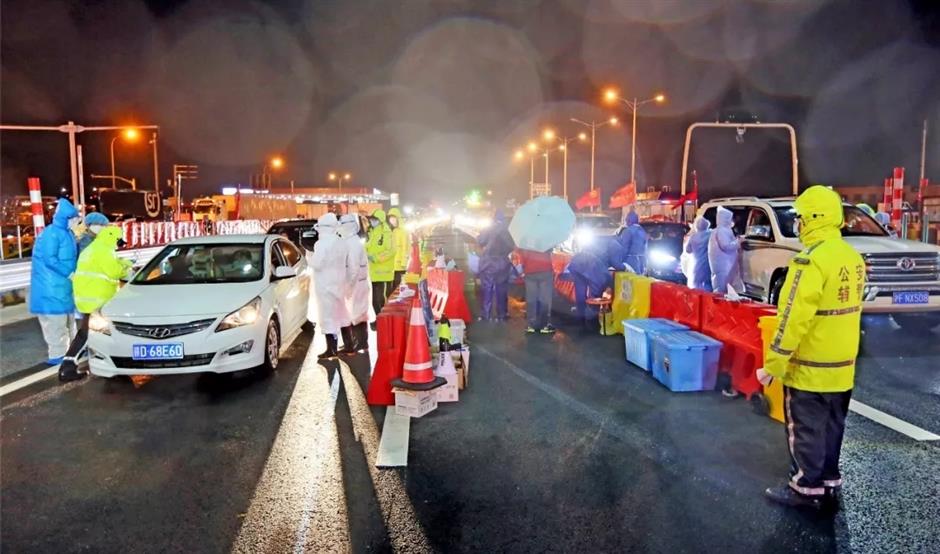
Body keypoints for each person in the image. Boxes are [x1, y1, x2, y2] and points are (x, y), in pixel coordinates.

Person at [757, 185, 864, 510]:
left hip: (810, 366)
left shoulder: (809, 262)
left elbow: (791, 319)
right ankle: (829, 480)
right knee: (834, 425)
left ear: (815, 219)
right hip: (843, 367)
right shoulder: (851, 257)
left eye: (802, 218)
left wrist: (773, 365)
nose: (799, 225)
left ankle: (805, 486)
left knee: (805, 428)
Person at [57, 226, 132, 381]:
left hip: (87, 297)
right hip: (97, 298)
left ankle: (69, 366)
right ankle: (67, 368)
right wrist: (127, 266)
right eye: (119, 242)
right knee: (89, 333)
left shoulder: (94, 248)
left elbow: (103, 267)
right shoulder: (104, 250)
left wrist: (120, 261)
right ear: (113, 238)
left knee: (88, 331)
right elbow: (114, 272)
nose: (118, 246)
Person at [29, 198, 80, 366]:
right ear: (66, 217)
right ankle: (58, 358)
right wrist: (70, 273)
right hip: (50, 289)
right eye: (74, 218)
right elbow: (50, 259)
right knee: (56, 325)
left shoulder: (68, 234)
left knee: (68, 323)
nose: (76, 221)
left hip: (62, 288)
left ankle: (71, 354)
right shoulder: (51, 233)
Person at [310, 213, 350, 359]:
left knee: (328, 317)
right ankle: (349, 343)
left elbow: (316, 264)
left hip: (325, 285)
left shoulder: (321, 244)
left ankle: (331, 349)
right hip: (339, 282)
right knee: (342, 314)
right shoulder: (341, 241)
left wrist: (309, 256)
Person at [338, 214, 371, 355]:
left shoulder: (350, 243)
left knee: (351, 315)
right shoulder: (354, 241)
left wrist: (348, 287)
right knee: (359, 314)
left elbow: (352, 268)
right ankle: (362, 342)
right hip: (359, 283)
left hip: (354, 283)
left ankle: (353, 344)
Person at [476, 210, 515, 321]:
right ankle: (501, 315)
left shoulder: (488, 228)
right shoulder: (507, 230)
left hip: (488, 262)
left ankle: (486, 314)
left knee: (487, 288)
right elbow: (512, 246)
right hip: (502, 263)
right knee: (501, 289)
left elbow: (480, 241)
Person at [567, 241, 613, 331]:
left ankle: (581, 319)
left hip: (577, 264)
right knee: (594, 298)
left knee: (580, 294)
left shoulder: (604, 275)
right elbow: (595, 298)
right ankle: (591, 321)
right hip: (584, 265)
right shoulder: (603, 278)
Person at [366, 209, 395, 320]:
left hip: (383, 274)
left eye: (375, 219)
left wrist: (376, 258)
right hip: (373, 273)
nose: (372, 221)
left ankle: (384, 321)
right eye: (372, 219)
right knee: (374, 301)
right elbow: (368, 246)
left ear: (380, 220)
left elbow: (391, 250)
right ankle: (379, 320)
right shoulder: (373, 233)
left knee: (381, 300)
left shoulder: (386, 233)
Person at [517, 248, 555, 334]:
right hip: (545, 269)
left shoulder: (526, 240)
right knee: (545, 298)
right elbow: (551, 250)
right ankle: (544, 325)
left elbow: (521, 254)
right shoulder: (545, 240)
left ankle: (531, 324)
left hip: (530, 270)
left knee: (531, 298)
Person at [708, 206, 743, 294]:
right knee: (722, 288)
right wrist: (738, 242)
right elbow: (726, 246)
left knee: (722, 287)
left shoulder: (720, 230)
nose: (732, 221)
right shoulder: (722, 231)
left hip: (723, 264)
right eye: (730, 218)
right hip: (723, 265)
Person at [684, 216, 713, 291]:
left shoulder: (693, 237)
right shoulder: (710, 234)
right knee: (708, 283)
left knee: (696, 283)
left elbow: (688, 250)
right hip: (708, 262)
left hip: (696, 262)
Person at [387, 207, 409, 292]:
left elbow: (406, 248)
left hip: (400, 266)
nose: (392, 220)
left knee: (398, 286)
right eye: (390, 218)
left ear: (398, 219)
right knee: (391, 288)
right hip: (390, 265)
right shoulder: (389, 230)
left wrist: (404, 262)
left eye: (394, 218)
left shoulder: (403, 231)